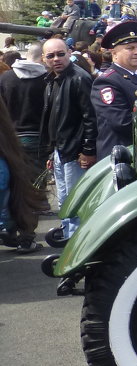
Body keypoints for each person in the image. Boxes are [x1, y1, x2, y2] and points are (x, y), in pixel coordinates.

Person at [39, 37, 97, 207]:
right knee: (64, 201)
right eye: (50, 56)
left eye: (60, 54)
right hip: (60, 151)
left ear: (69, 53)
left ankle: (75, 233)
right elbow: (54, 120)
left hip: (75, 153)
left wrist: (88, 150)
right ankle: (67, 231)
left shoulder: (80, 78)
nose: (56, 59)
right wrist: (52, 151)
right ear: (44, 58)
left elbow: (91, 118)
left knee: (74, 202)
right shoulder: (51, 80)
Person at [93, 21, 137, 159]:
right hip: (121, 157)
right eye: (130, 48)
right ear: (114, 53)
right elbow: (122, 123)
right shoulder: (107, 82)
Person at [0, 42, 51, 188]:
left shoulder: (5, 78)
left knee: (14, 182)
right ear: (42, 57)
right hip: (39, 137)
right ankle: (39, 207)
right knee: (38, 182)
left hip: (11, 136)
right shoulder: (48, 79)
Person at [0, 98, 48, 252]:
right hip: (28, 140)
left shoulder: (7, 79)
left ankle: (17, 232)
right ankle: (21, 234)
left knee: (20, 189)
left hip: (16, 142)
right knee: (25, 189)